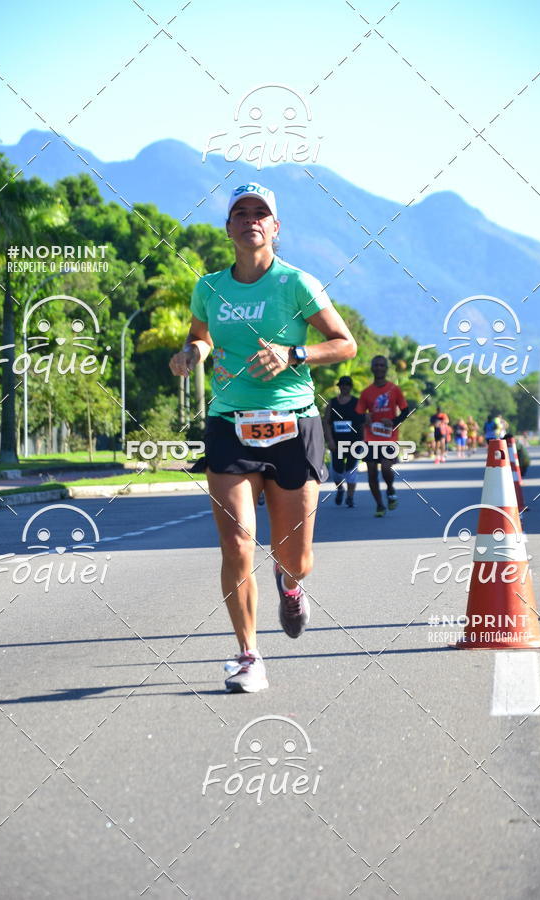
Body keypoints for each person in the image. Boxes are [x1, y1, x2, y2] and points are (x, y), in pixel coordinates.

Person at [169, 182, 356, 693]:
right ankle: (249, 655)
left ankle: (290, 585)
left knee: (295, 557)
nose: (251, 219)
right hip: (230, 423)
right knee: (237, 544)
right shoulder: (208, 287)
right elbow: (201, 336)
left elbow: (345, 344)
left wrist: (294, 354)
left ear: (275, 227)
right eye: (240, 212)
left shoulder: (296, 283)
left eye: (261, 213)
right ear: (228, 227)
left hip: (294, 424)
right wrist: (193, 355)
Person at [356, 356, 409, 517]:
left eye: (381, 365)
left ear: (386, 368)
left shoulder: (394, 389)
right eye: (376, 365)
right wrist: (364, 417)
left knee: (386, 467)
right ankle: (379, 505)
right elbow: (357, 415)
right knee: (371, 472)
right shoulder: (366, 393)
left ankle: (391, 489)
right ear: (372, 368)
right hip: (370, 437)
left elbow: (405, 411)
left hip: (389, 437)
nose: (379, 368)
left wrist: (393, 421)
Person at [323, 375, 363, 507]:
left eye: (347, 384)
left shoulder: (357, 403)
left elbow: (363, 422)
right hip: (337, 443)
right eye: (342, 384)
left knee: (351, 470)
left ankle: (350, 497)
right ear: (339, 386)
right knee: (336, 471)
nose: (344, 387)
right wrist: (330, 440)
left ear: (351, 387)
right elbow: (327, 423)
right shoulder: (332, 403)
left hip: (354, 442)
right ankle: (340, 488)